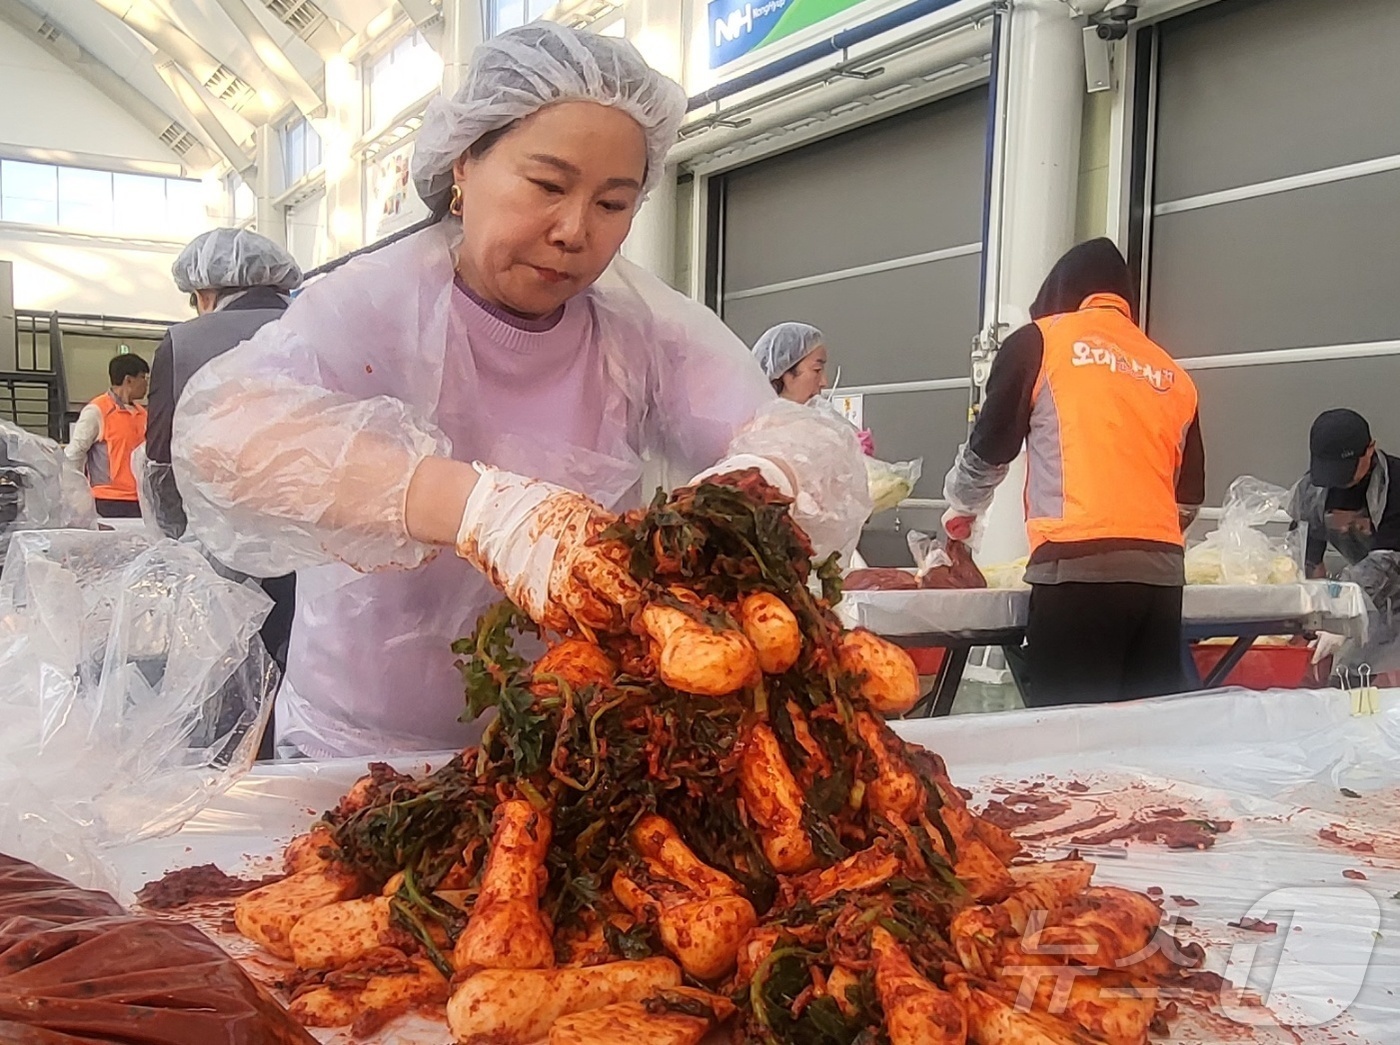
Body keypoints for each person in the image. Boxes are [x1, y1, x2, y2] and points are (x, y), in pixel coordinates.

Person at [170, 24, 869, 759]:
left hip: (572, 754)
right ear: (465, 166)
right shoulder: (375, 305)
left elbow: (807, 445)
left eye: (612, 204)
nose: (574, 230)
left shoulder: (643, 330)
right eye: (547, 185)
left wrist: (753, 485)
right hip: (362, 756)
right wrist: (476, 507)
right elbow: (222, 435)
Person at [941, 238, 1205, 707]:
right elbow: (1188, 499)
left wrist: (962, 511)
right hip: (1161, 580)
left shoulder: (1041, 341)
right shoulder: (1169, 371)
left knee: (1070, 744)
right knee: (1146, 736)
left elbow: (989, 450)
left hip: (1076, 574)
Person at [144, 228, 303, 697]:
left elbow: (161, 462)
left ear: (205, 292)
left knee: (229, 688)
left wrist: (177, 539)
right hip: (320, 552)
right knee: (304, 679)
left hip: (225, 555)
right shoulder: (324, 322)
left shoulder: (183, 342)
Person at [1290, 409, 1400, 670]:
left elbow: (1386, 564)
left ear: (1370, 449)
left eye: (1346, 471)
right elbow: (1306, 555)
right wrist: (1314, 615)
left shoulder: (1395, 484)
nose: (1337, 481)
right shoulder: (1314, 490)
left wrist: (1341, 613)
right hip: (1368, 601)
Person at [752, 322, 873, 454]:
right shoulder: (757, 434)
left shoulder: (816, 423)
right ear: (782, 371)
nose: (824, 382)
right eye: (817, 370)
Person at [66, 354, 149, 518]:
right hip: (107, 502)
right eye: (143, 377)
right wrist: (75, 497)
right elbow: (73, 455)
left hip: (141, 500)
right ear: (128, 380)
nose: (147, 383)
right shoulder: (97, 411)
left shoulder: (143, 414)